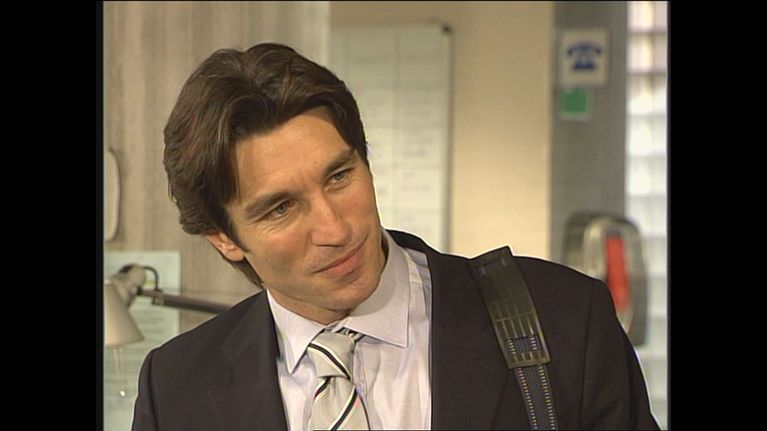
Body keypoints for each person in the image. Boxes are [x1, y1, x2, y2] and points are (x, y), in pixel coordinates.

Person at [131, 42, 659, 431]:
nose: (336, 229)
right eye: (282, 208)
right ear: (223, 237)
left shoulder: (566, 318)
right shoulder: (176, 389)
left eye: (340, 177)